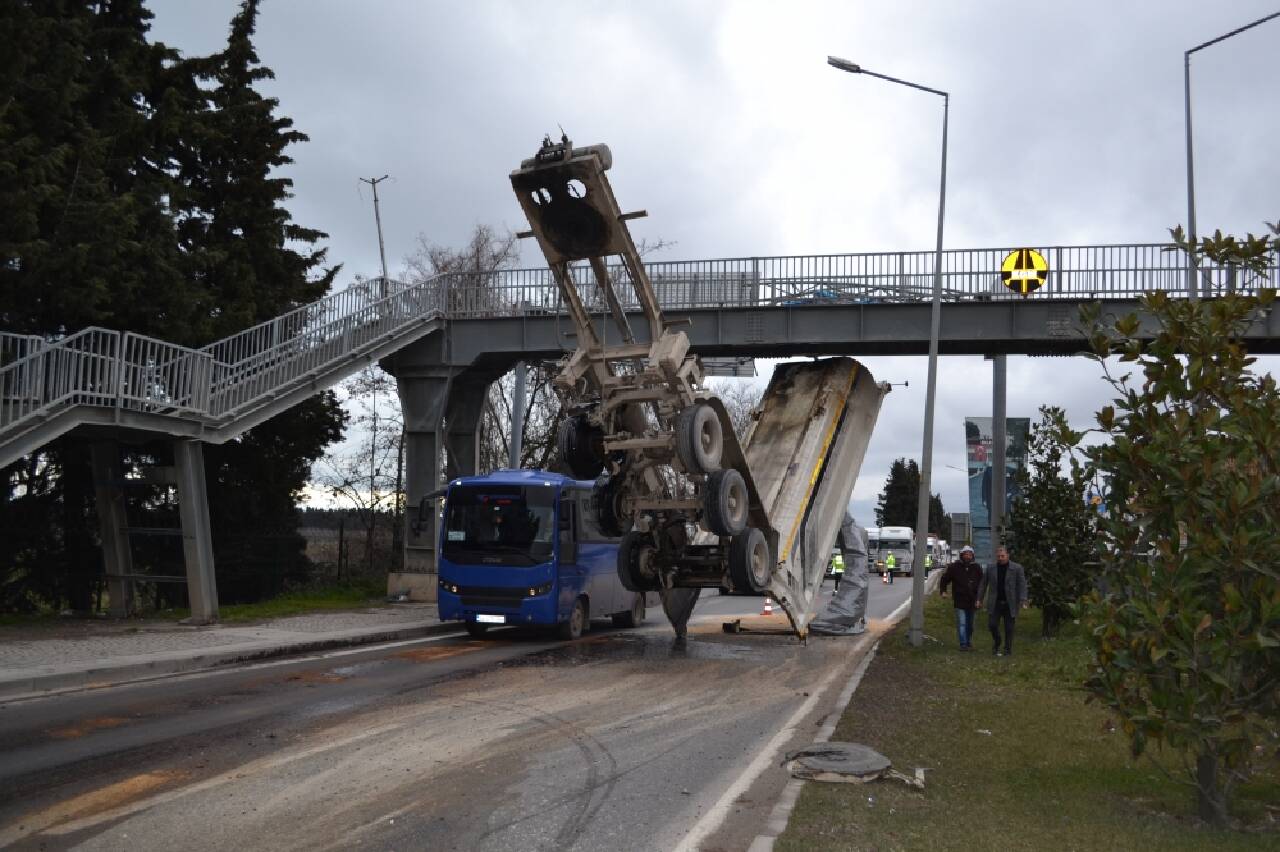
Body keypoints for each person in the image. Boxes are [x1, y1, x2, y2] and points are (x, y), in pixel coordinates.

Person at [977, 545, 1028, 656]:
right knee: (992, 625)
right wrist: (979, 599)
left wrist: (1023, 599)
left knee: (1009, 628)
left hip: (1010, 603)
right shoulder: (991, 568)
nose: (1000, 558)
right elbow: (983, 584)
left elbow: (1022, 584)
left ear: (1008, 556)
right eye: (998, 556)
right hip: (995, 602)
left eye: (1002, 556)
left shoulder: (1017, 568)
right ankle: (997, 641)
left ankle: (1007, 649)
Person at [939, 545, 983, 650]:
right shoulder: (954, 567)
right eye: (965, 554)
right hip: (959, 599)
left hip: (973, 600)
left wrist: (979, 599)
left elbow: (982, 584)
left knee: (970, 624)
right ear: (962, 555)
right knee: (962, 623)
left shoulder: (977, 567)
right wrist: (943, 591)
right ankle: (963, 644)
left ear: (972, 555)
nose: (968, 556)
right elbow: (944, 579)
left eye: (970, 554)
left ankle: (968, 641)